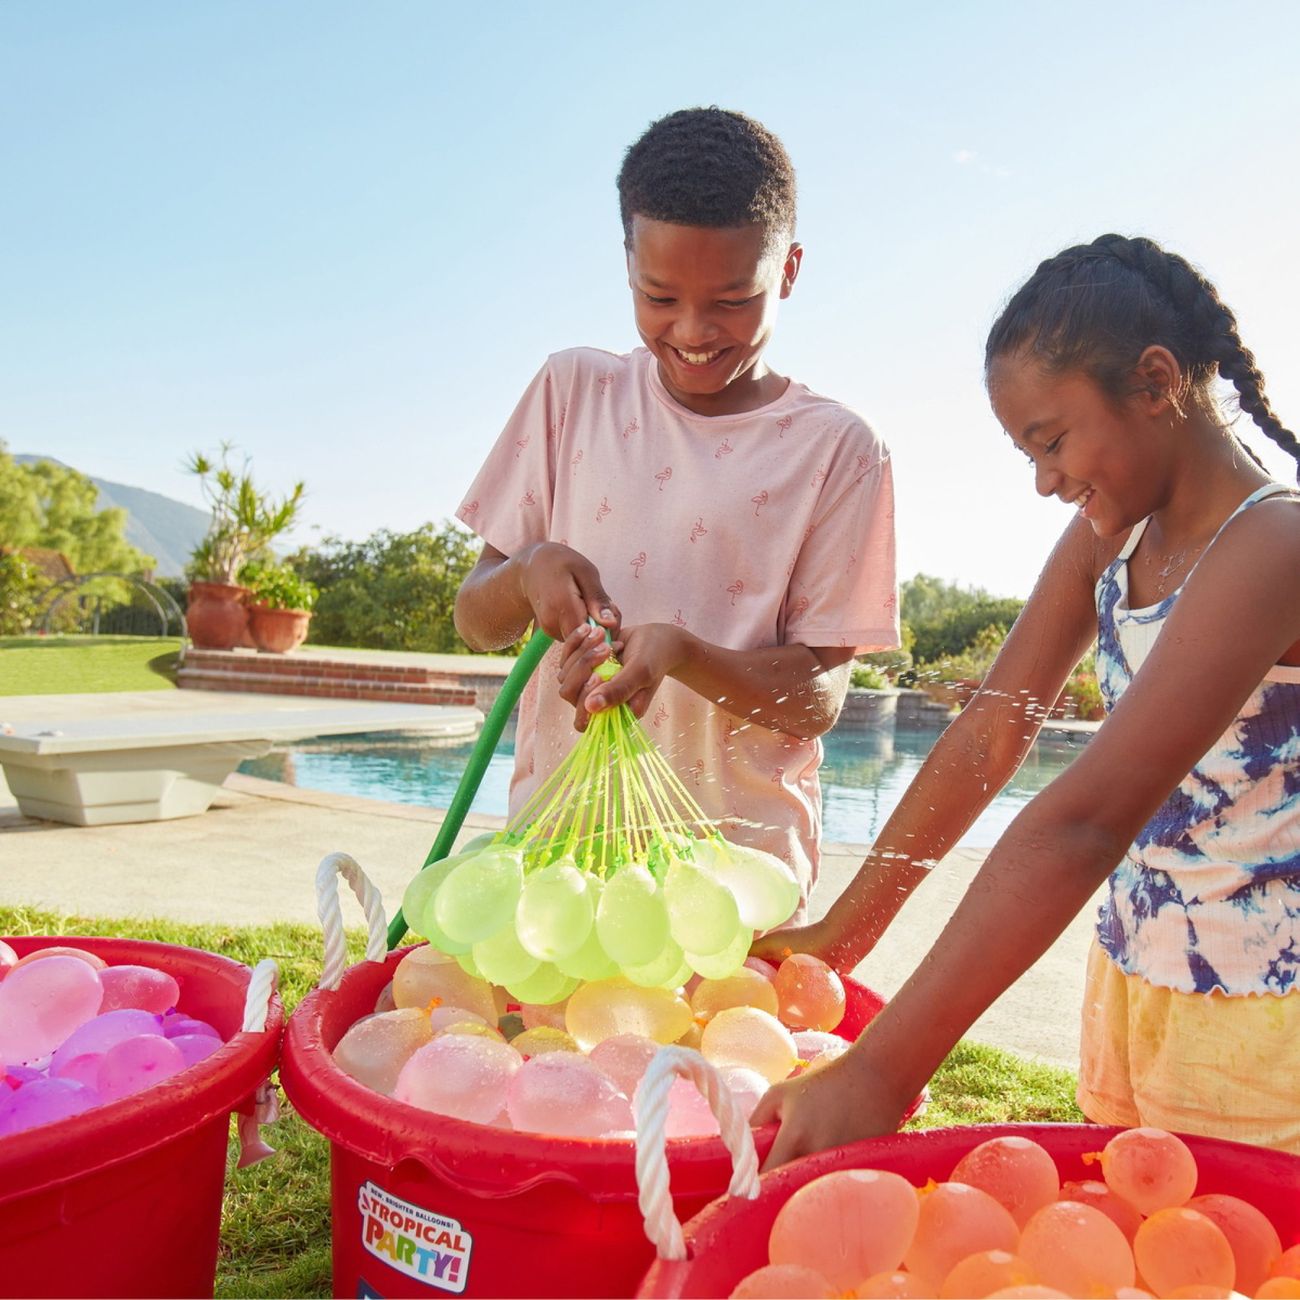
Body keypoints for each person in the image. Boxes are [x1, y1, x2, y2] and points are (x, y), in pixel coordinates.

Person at [753, 233, 1300, 1161]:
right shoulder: (1112, 539)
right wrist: (840, 936)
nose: (1044, 478)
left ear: (1157, 382)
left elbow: (1088, 819)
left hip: (1272, 1025)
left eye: (1052, 440)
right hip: (1138, 982)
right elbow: (985, 741)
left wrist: (886, 1070)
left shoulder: (1276, 544)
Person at [452, 107, 899, 914]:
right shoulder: (570, 393)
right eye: (658, 296)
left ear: (789, 268)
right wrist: (525, 573)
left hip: (734, 892)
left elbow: (821, 698)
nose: (692, 331)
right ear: (626, 266)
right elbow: (476, 621)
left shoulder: (836, 448)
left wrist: (686, 655)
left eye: (733, 299)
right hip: (561, 876)